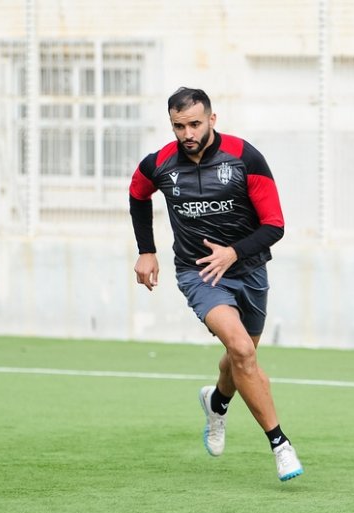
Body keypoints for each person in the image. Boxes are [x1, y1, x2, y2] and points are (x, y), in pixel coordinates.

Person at [128, 87, 303, 482]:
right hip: (198, 273)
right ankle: (280, 444)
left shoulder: (245, 157)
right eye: (178, 126)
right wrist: (146, 250)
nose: (187, 133)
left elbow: (274, 225)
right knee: (241, 350)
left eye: (194, 123)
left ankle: (217, 401)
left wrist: (233, 253)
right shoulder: (159, 164)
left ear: (212, 119)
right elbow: (138, 194)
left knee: (241, 360)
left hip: (249, 270)